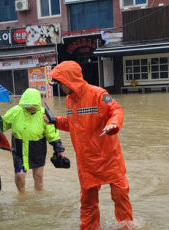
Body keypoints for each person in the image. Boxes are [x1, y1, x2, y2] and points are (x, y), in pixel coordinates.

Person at [44, 61, 133, 230]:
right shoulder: (69, 100)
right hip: (86, 162)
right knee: (87, 201)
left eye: (61, 83)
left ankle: (126, 226)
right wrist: (55, 121)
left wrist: (113, 123)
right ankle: (89, 227)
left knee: (120, 195)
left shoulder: (100, 94)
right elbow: (73, 124)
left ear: (70, 80)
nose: (60, 87)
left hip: (108, 157)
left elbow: (116, 109)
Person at [2, 88, 66, 193]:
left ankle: (39, 197)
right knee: (20, 174)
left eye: (33, 106)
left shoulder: (44, 114)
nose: (30, 108)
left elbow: (52, 134)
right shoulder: (15, 111)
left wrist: (59, 148)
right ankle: (21, 194)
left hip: (38, 149)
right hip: (19, 149)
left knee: (38, 176)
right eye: (27, 106)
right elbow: (2, 124)